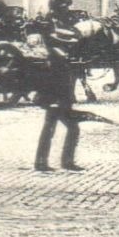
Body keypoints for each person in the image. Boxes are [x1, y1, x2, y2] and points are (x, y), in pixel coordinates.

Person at [33, 25, 85, 172]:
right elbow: (46, 80)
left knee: (52, 129)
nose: (71, 44)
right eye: (68, 42)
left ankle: (46, 161)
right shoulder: (55, 57)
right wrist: (52, 100)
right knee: (66, 128)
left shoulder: (58, 55)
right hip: (55, 100)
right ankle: (60, 162)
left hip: (60, 100)